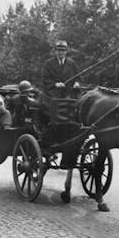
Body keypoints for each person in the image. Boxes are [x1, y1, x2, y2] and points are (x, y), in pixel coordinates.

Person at [40, 40, 81, 169]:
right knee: (54, 109)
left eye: (63, 50)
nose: (60, 52)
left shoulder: (71, 63)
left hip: (68, 95)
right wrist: (55, 84)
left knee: (75, 108)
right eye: (58, 50)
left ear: (66, 51)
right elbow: (45, 79)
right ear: (55, 51)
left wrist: (77, 83)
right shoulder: (49, 64)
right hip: (52, 95)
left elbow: (78, 77)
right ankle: (51, 135)